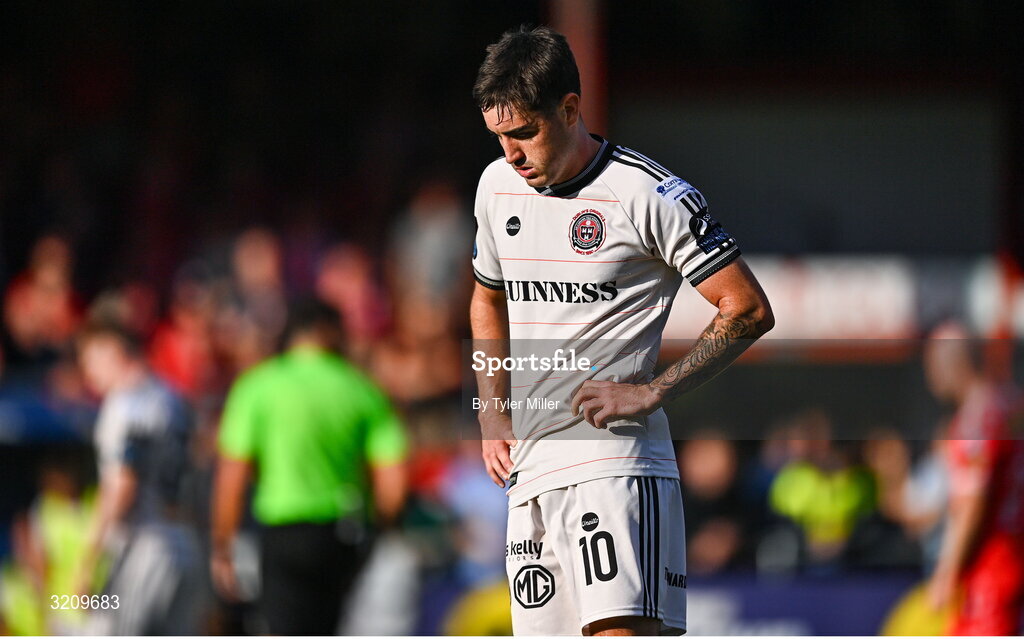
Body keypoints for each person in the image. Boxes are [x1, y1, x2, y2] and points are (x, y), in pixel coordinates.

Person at [470, 26, 773, 636]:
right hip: (530, 474)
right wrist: (491, 413)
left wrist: (653, 390)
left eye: (525, 132)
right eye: (499, 135)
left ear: (571, 109)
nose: (512, 153)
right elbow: (486, 300)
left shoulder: (646, 194)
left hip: (613, 466)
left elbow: (747, 307)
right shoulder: (495, 186)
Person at [211, 300, 408, 635]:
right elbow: (394, 483)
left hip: (281, 532)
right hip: (340, 533)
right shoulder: (362, 389)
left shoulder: (257, 386)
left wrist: (222, 546)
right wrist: (379, 530)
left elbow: (232, 477)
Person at [75, 319, 202, 635]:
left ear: (113, 352)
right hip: (186, 545)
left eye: (90, 360)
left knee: (103, 627)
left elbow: (122, 484)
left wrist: (89, 558)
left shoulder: (123, 406)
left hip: (143, 548)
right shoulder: (172, 397)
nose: (88, 373)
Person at [923, 322, 1024, 635]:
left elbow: (971, 503)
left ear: (953, 362)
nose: (930, 375)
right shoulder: (1008, 402)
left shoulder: (977, 418)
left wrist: (945, 574)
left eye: (932, 363)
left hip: (993, 564)